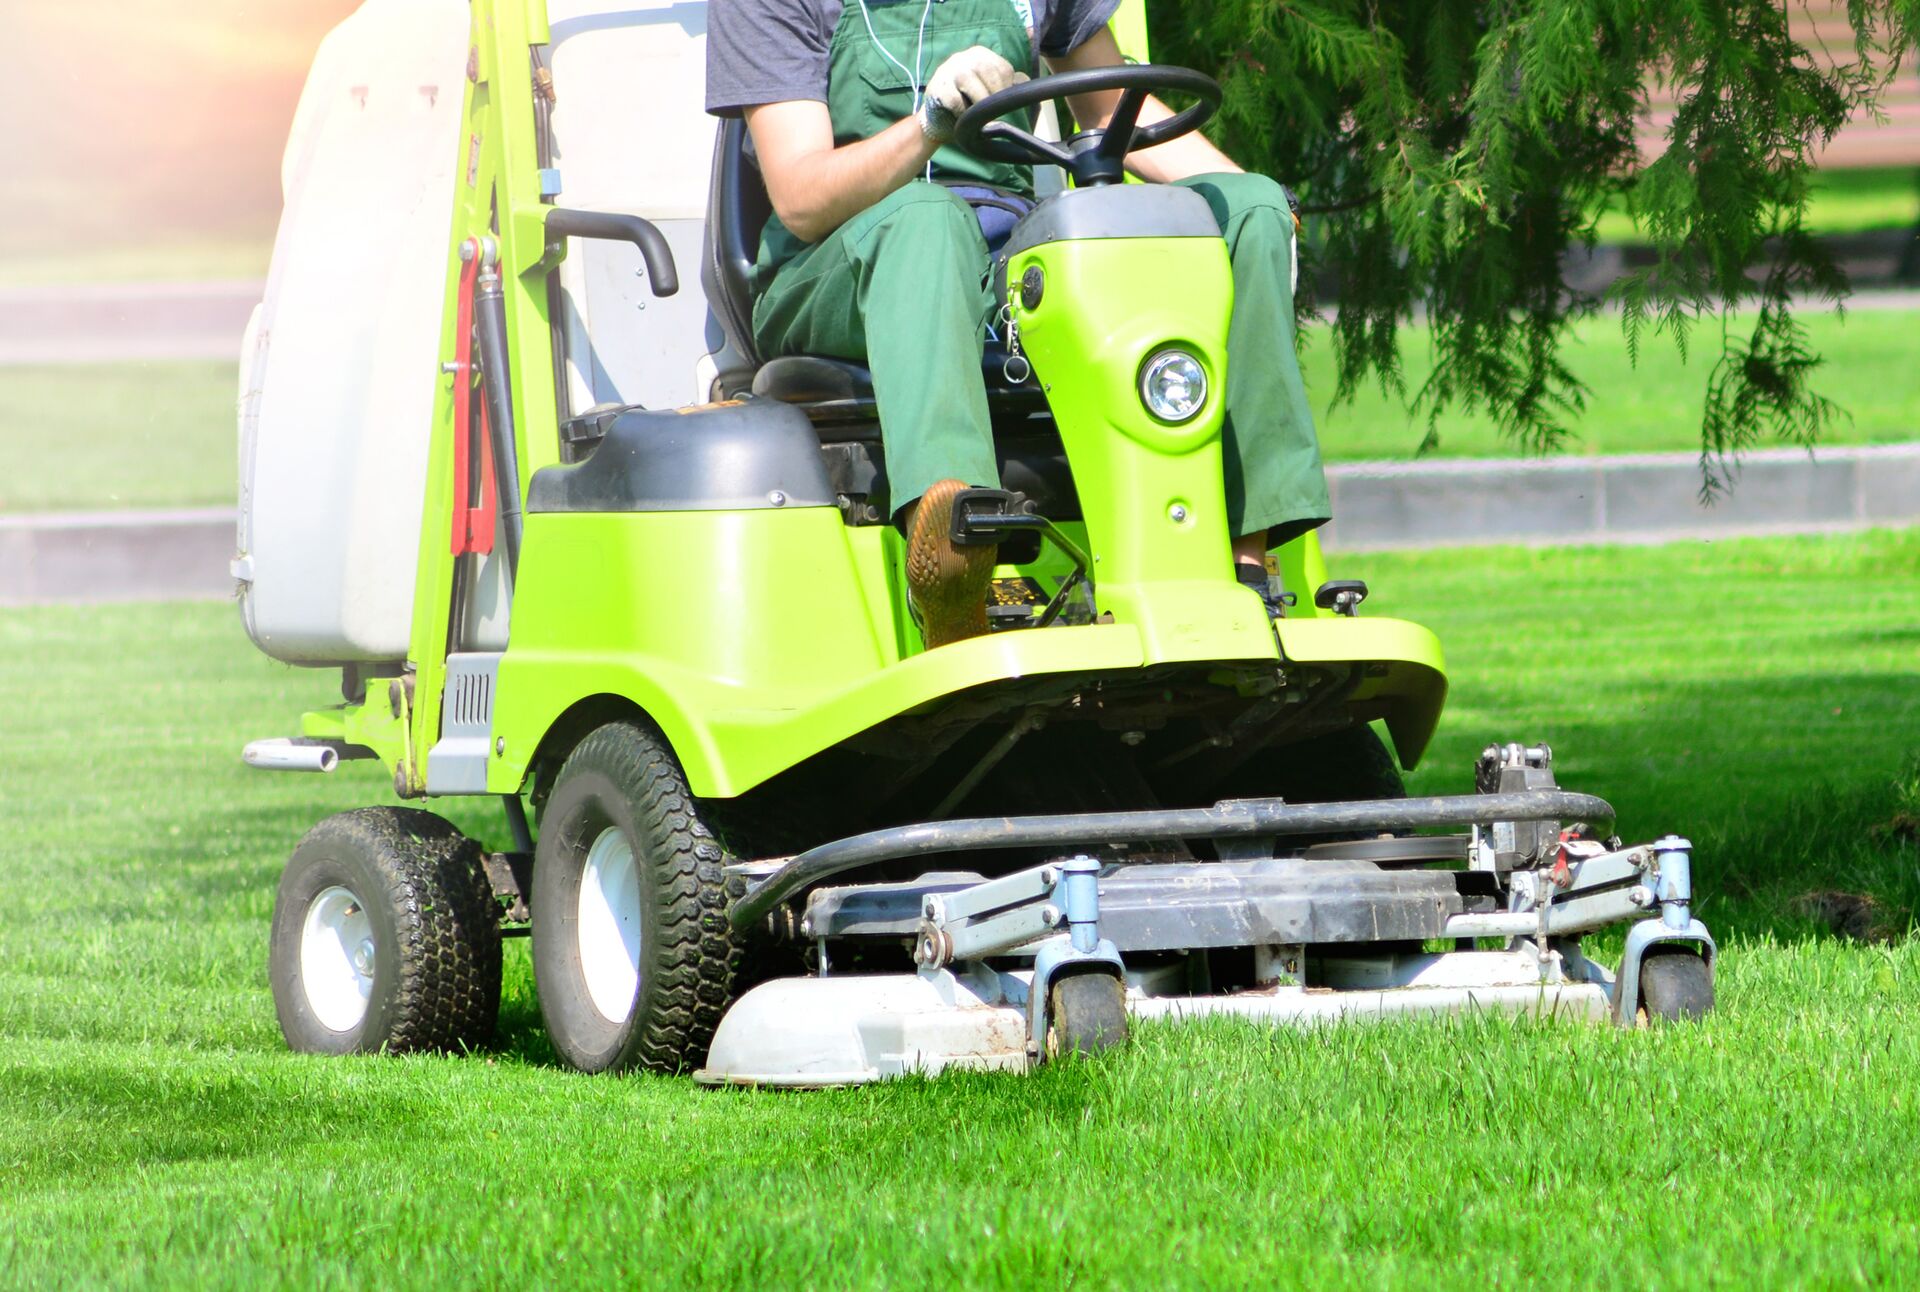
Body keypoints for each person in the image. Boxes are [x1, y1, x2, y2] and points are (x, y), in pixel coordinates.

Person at [706, 0, 1330, 646]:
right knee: (928, 220)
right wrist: (928, 124)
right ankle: (952, 574)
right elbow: (802, 196)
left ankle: (1245, 564)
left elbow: (1116, 109)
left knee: (1250, 206)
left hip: (1002, 261)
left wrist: (1262, 205)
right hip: (835, 266)